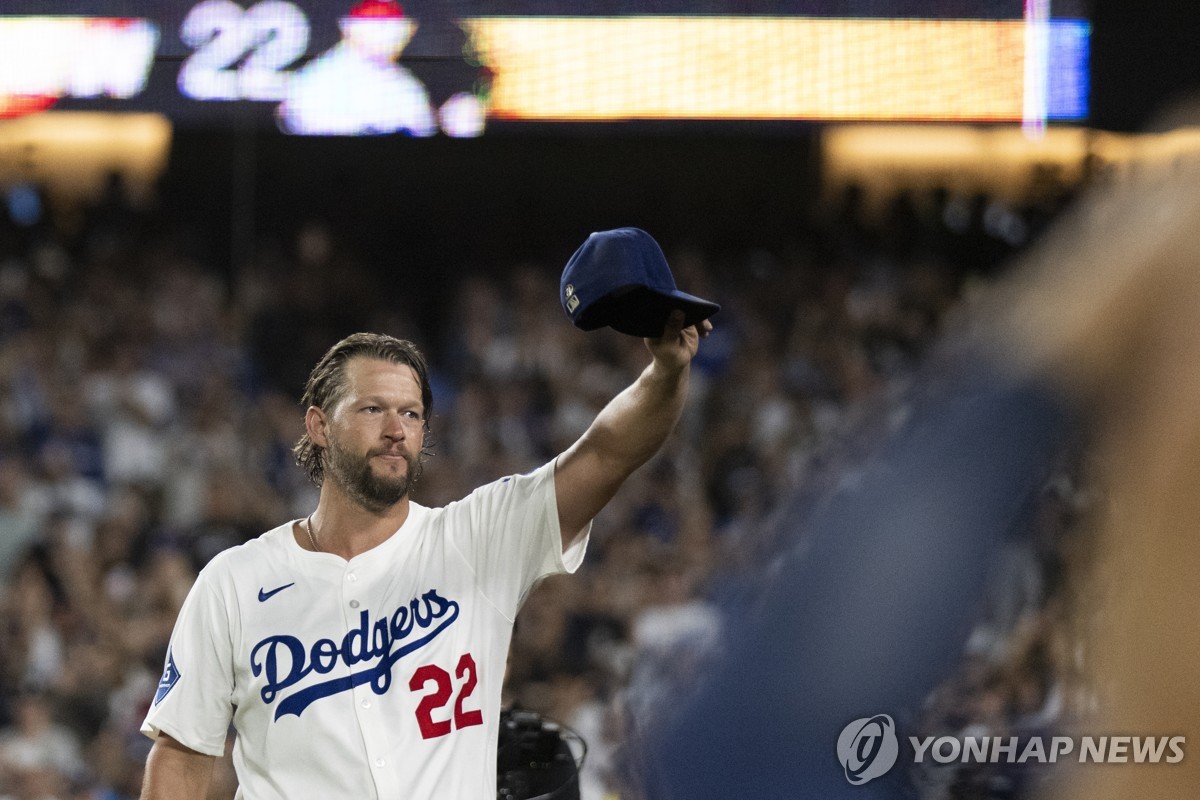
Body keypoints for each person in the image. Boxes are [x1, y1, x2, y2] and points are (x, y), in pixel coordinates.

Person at [138, 314, 710, 800]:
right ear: (318, 425)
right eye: (372, 409)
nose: (396, 430)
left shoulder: (477, 539)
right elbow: (181, 758)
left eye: (411, 414)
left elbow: (608, 453)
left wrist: (666, 372)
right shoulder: (235, 582)